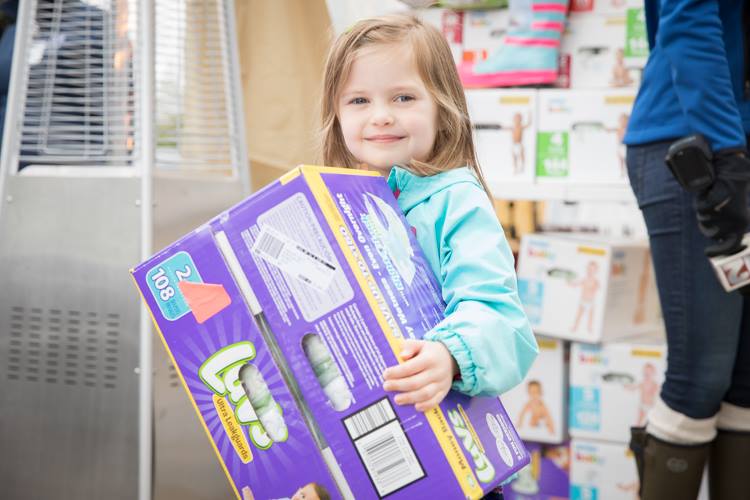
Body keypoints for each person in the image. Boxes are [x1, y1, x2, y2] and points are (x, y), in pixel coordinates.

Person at [319, 13, 538, 415]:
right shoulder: (334, 204)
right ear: (337, 114)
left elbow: (499, 316)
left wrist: (450, 354)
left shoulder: (457, 202)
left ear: (442, 106)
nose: (381, 115)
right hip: (365, 415)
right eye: (359, 100)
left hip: (444, 423)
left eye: (403, 98)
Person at [623, 1, 750, 499]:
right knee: (700, 376)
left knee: (744, 381)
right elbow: (689, 17)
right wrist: (726, 151)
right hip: (700, 149)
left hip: (731, 144)